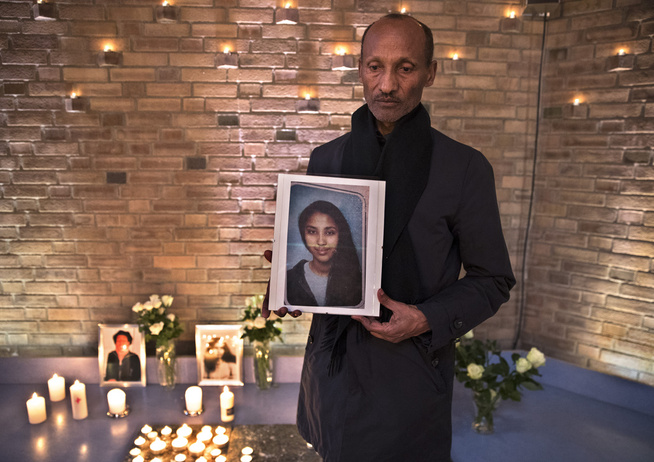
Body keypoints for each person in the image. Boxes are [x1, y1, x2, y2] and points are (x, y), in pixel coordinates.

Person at [263, 13, 515, 462]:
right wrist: (290, 277)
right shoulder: (327, 158)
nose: (387, 85)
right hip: (331, 370)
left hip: (410, 374)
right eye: (375, 66)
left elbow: (492, 278)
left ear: (430, 73)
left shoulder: (464, 168)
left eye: (406, 67)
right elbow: (328, 258)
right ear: (360, 69)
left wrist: (424, 318)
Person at [286, 200, 363, 307]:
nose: (321, 242)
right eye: (312, 232)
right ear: (303, 235)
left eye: (329, 232)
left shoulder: (359, 282)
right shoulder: (288, 279)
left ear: (340, 235)